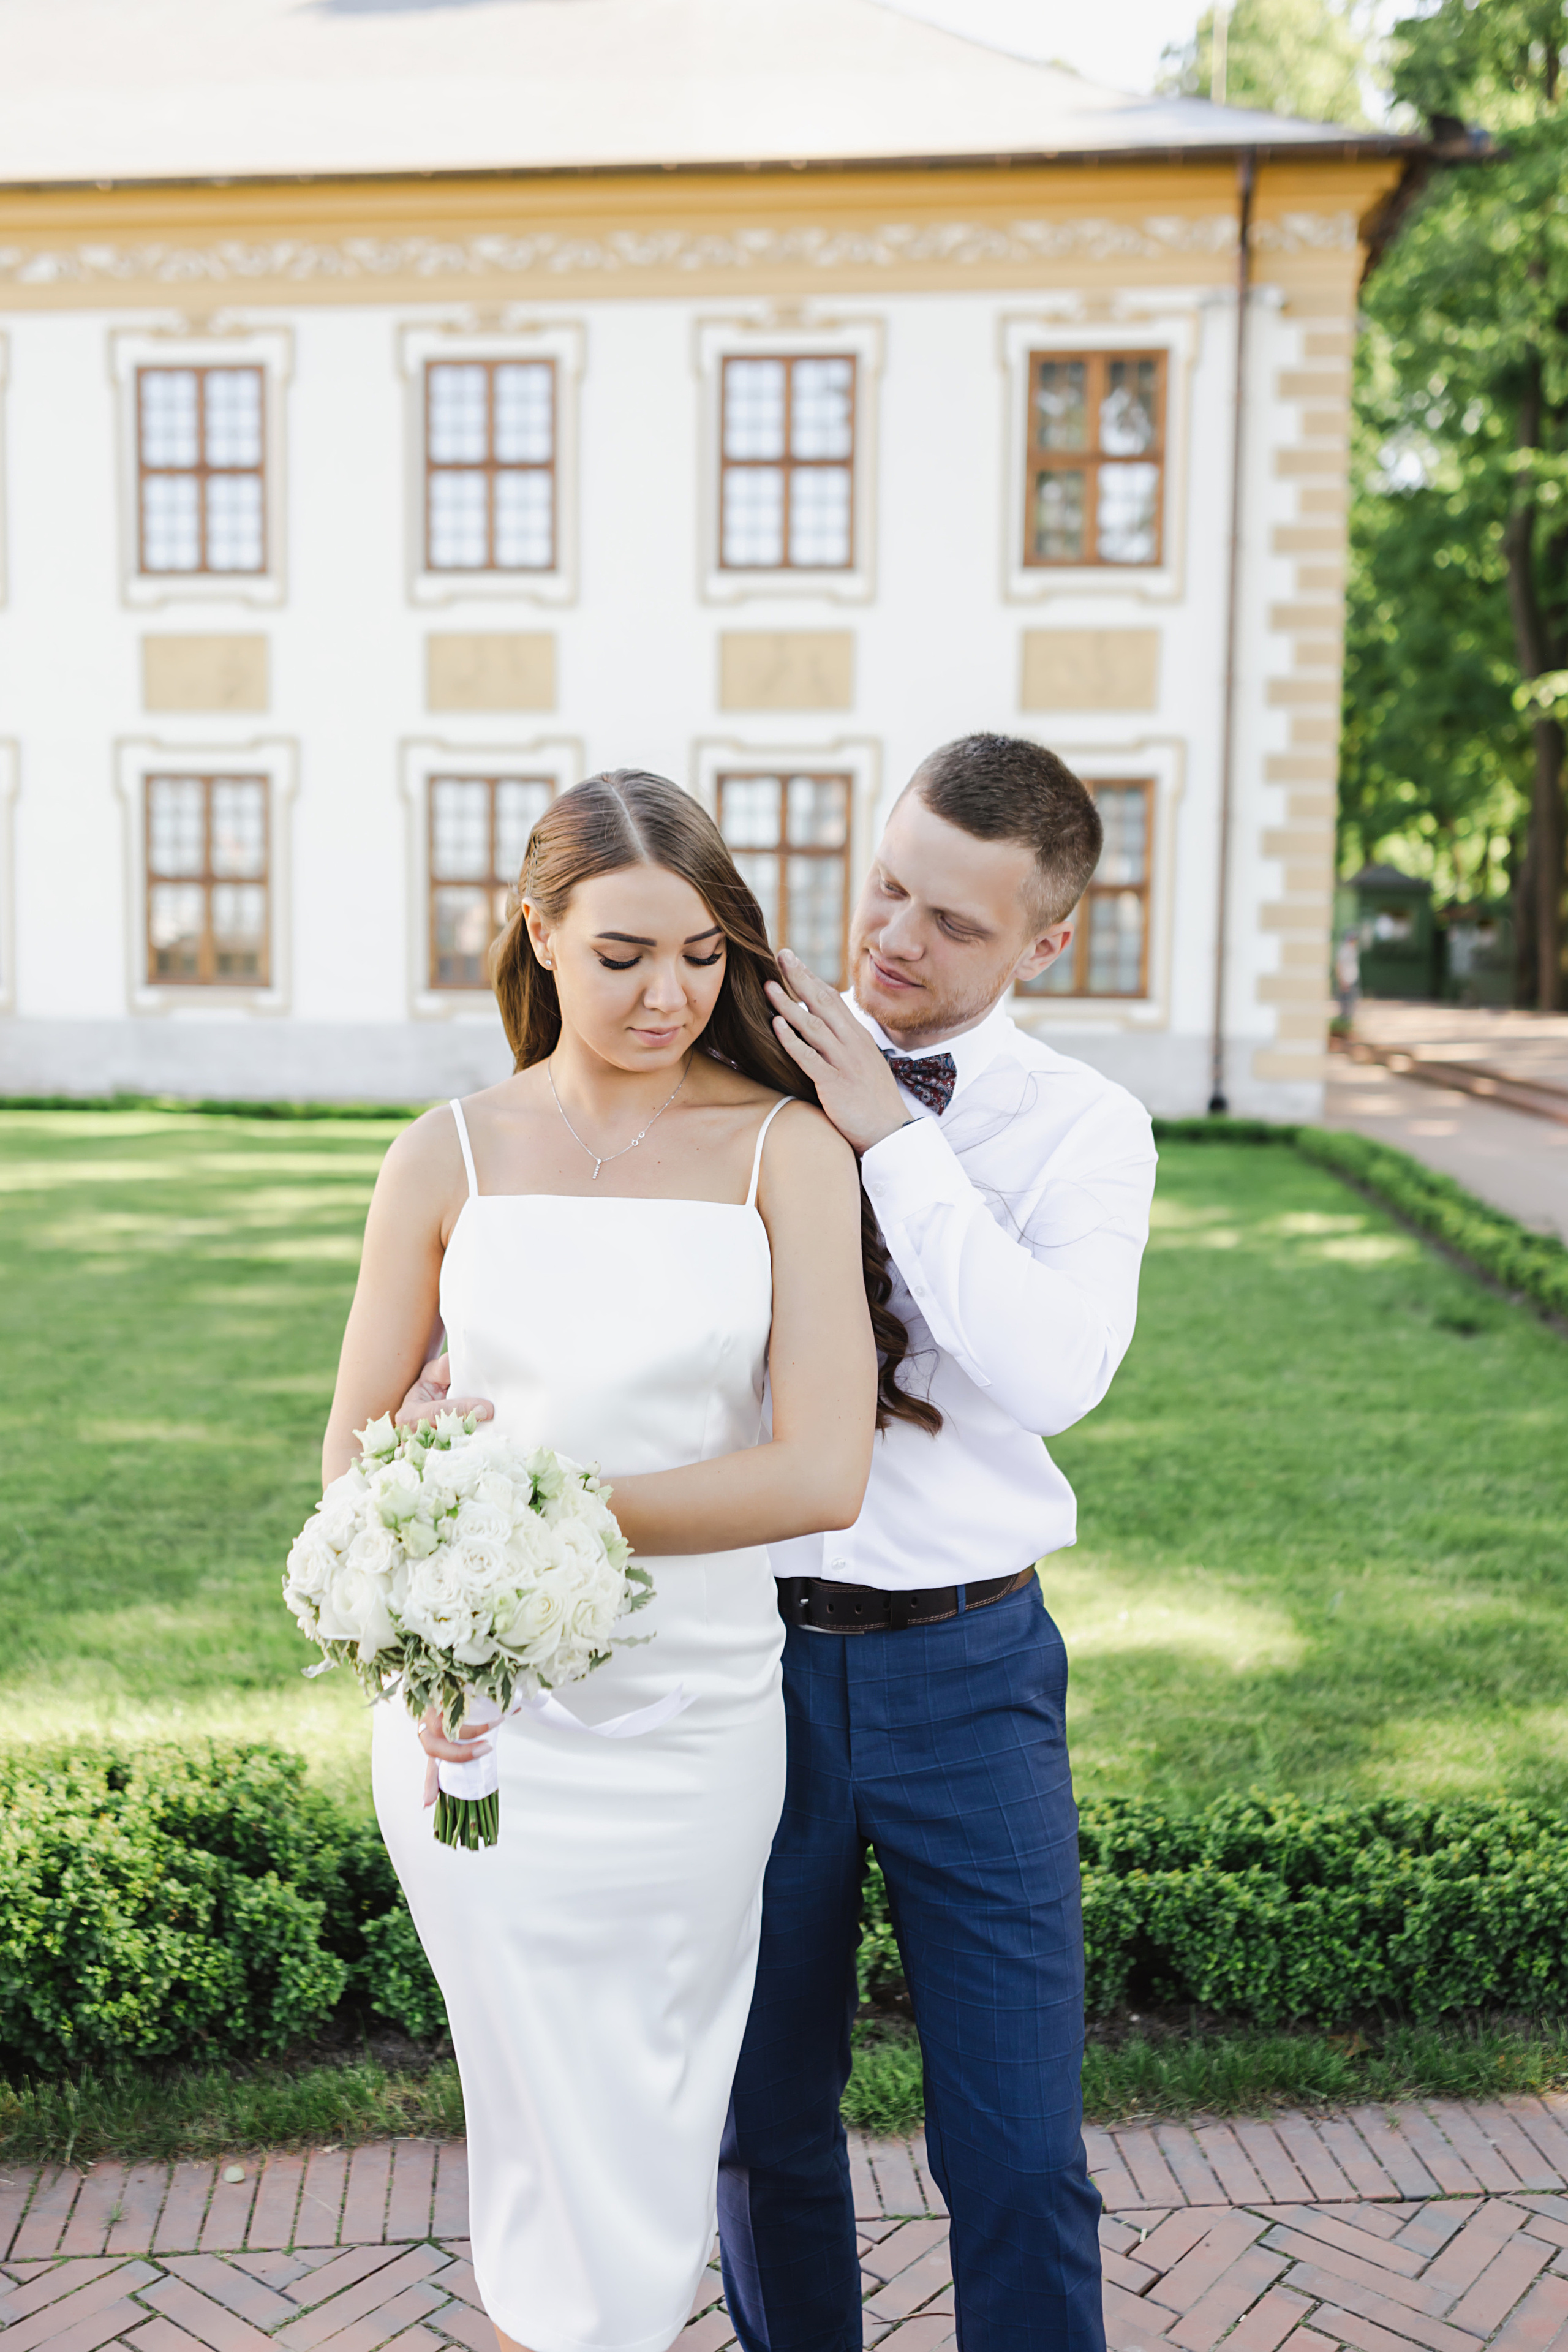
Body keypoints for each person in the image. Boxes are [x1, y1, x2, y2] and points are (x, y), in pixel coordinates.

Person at [403, 735, 1158, 2352]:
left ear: (1045, 945)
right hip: (742, 1663)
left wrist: (893, 1137)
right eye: (887, 888)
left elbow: (1051, 1375)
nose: (893, 938)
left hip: (968, 1667)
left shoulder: (1085, 1129)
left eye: (955, 924)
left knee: (1019, 2148)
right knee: (756, 2126)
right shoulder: (735, 1051)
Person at [323, 769, 934, 2352]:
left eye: (703, 956)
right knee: (529, 2115)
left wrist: (537, 1513)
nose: (670, 995)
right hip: (480, 1727)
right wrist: (427, 1614)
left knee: (650, 2125)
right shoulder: (443, 1157)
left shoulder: (786, 1153)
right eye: (623, 956)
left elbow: (823, 1471)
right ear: (539, 934)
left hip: (689, 1727)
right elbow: (352, 1461)